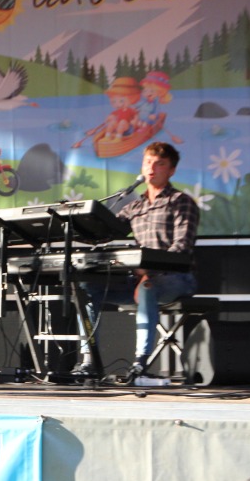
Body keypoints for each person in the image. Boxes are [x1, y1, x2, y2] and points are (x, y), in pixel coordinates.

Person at [74, 141, 199, 381]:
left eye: (159, 164)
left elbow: (181, 248)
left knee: (147, 287)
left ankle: (140, 363)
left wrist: (148, 271)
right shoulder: (135, 206)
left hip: (177, 279)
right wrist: (75, 224)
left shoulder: (181, 202)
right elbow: (104, 233)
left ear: (171, 170)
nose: (151, 168)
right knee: (88, 289)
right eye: (148, 162)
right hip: (138, 279)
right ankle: (89, 361)